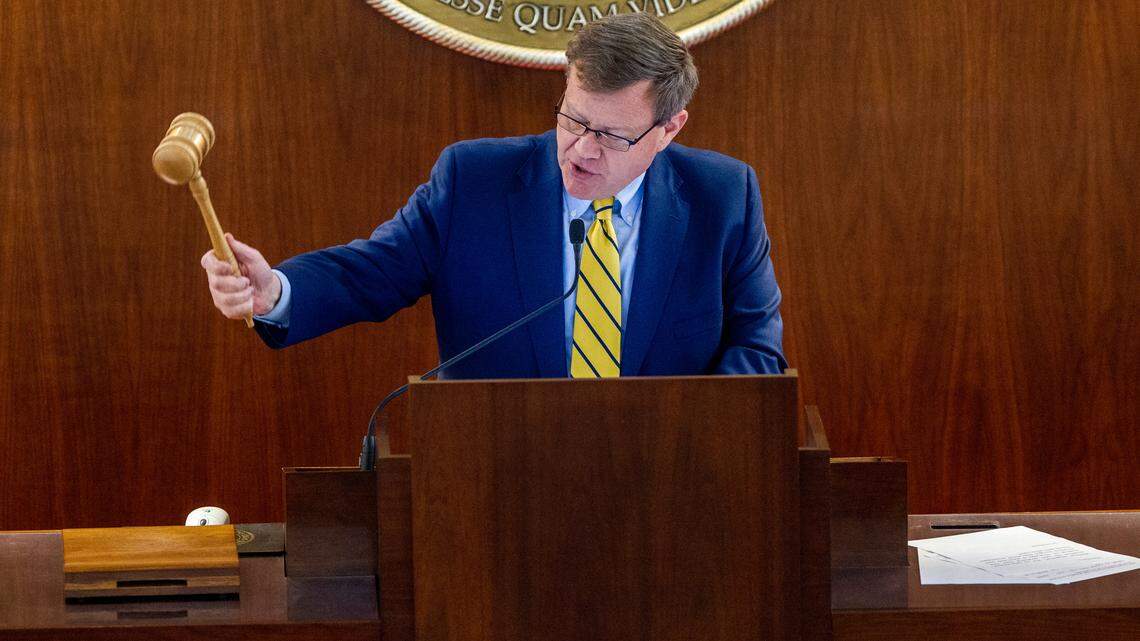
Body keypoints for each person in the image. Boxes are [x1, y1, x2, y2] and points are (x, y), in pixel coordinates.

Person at [201, 13, 787, 378]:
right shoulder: (474, 181)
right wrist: (275, 289)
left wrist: (687, 432)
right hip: (497, 485)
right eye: (572, 120)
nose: (582, 150)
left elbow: (758, 351)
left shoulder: (723, 197)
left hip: (672, 482)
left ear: (669, 130)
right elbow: (370, 273)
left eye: (610, 135)